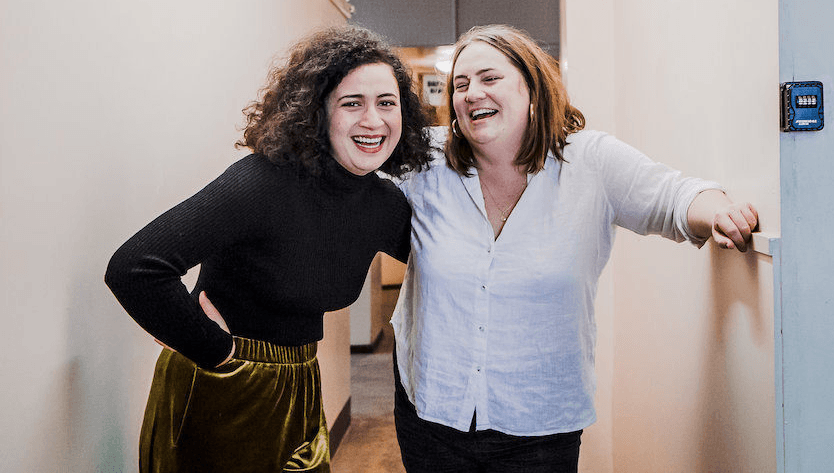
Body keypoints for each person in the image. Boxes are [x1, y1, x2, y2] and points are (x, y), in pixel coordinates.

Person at [391, 25, 759, 473]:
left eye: (490, 78)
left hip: (540, 426)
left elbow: (675, 195)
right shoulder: (426, 160)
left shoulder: (590, 162)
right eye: (461, 84)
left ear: (531, 88)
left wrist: (720, 212)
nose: (471, 94)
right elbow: (353, 171)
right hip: (432, 413)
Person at [104, 25, 431, 473]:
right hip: (219, 388)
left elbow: (450, 262)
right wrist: (214, 349)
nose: (373, 120)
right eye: (352, 103)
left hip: (302, 383)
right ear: (317, 112)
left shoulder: (382, 204)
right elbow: (135, 268)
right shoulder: (263, 182)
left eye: (387, 103)